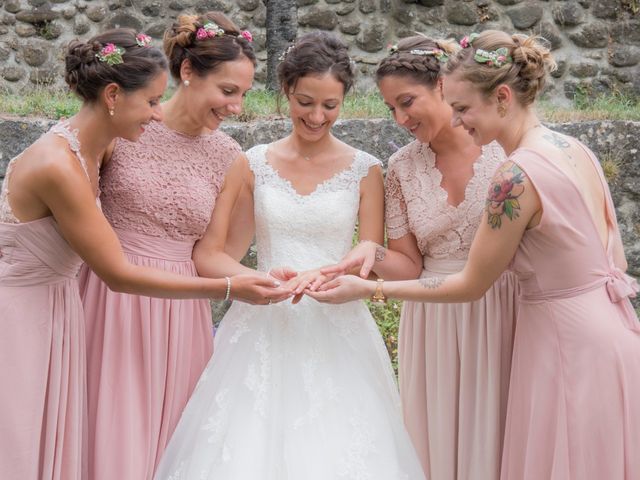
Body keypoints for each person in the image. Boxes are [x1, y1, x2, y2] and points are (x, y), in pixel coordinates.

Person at [309, 30, 640, 480]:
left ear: (502, 97)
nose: (461, 120)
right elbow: (613, 257)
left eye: (462, 107)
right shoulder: (572, 148)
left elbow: (471, 284)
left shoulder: (513, 173)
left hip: (559, 337)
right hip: (614, 327)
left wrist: (369, 289)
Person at [0, 28, 287, 480]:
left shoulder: (223, 155)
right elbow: (110, 265)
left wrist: (259, 280)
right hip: (98, 302)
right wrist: (230, 287)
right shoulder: (96, 147)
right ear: (187, 72)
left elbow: (214, 251)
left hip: (174, 309)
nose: (237, 106)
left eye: (244, 94)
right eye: (228, 90)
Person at [154, 31, 426, 479]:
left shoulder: (366, 170)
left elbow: (372, 257)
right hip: (262, 325)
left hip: (339, 329)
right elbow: (214, 256)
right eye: (305, 102)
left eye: (330, 106)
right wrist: (251, 280)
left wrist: (364, 257)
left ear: (344, 103)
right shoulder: (252, 163)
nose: (317, 116)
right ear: (286, 92)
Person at [323, 35, 517, 480]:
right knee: (434, 445)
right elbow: (407, 264)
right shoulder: (400, 170)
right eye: (391, 108)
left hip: (505, 310)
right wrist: (367, 251)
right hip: (432, 323)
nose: (400, 119)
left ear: (445, 87)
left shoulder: (505, 149)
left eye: (407, 102)